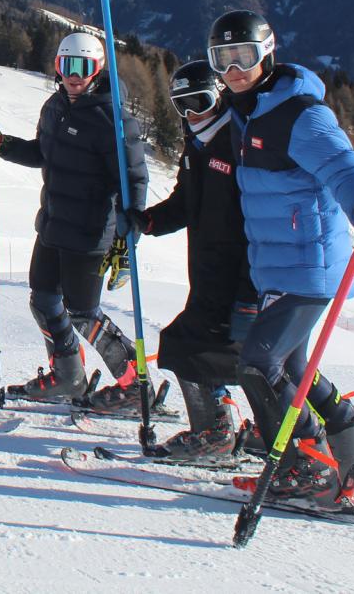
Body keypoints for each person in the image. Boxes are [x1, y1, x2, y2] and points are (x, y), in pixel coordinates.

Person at [207, 9, 354, 506]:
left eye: (244, 56)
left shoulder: (298, 113)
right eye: (223, 60)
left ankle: (307, 466)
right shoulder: (246, 111)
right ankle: (352, 459)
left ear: (267, 53)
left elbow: (342, 164)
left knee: (258, 362)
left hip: (309, 265)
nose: (234, 70)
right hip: (278, 267)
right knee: (294, 369)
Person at [0, 32, 151, 410]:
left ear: (97, 69)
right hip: (53, 225)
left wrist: (126, 238)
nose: (74, 75)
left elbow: (133, 180)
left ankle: (136, 385)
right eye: (67, 65)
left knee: (83, 314)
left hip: (90, 233)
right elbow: (42, 153)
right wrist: (0, 144)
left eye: (83, 67)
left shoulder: (113, 117)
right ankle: (68, 376)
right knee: (43, 301)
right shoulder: (54, 107)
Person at [135, 59, 258, 458]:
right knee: (205, 350)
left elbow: (258, 224)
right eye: (181, 105)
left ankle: (217, 432)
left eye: (199, 101)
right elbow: (186, 201)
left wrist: (249, 295)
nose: (191, 114)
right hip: (207, 275)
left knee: (188, 347)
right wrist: (150, 220)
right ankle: (229, 424)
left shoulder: (239, 143)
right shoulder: (198, 144)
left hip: (236, 279)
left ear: (219, 96)